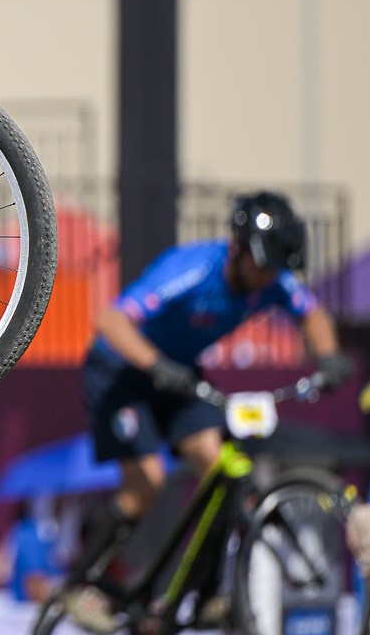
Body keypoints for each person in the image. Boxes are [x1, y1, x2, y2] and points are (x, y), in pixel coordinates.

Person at [81, 192, 351, 541]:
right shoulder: (193, 269)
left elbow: (312, 313)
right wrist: (156, 365)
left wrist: (328, 356)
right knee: (147, 483)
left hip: (178, 373)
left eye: (275, 268)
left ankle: (212, 584)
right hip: (119, 369)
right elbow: (111, 320)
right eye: (263, 264)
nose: (270, 276)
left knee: (217, 467)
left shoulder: (271, 280)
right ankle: (84, 578)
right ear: (237, 249)